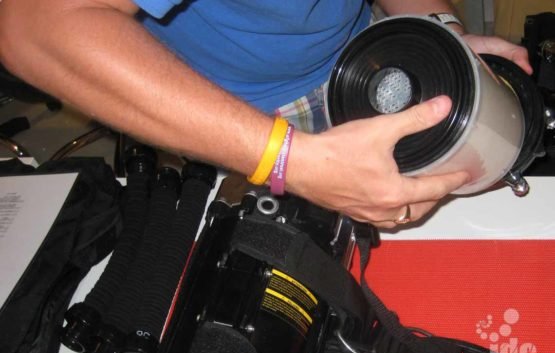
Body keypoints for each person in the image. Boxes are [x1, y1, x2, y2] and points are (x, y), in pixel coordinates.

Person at [0, 0, 532, 227]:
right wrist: (286, 160)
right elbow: (33, 23)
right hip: (241, 123)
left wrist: (441, 33)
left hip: (368, 49)